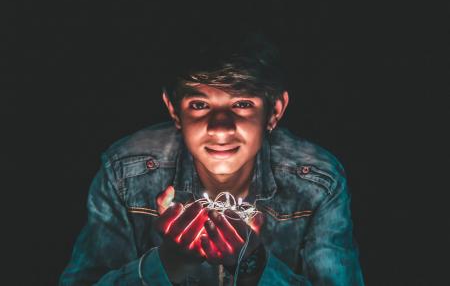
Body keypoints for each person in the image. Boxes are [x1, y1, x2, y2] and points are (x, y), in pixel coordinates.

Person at [60, 33, 364, 285]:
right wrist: (166, 264)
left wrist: (256, 267)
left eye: (242, 103)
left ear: (274, 111)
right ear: (173, 109)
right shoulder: (125, 171)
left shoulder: (317, 181)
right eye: (199, 104)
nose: (220, 128)